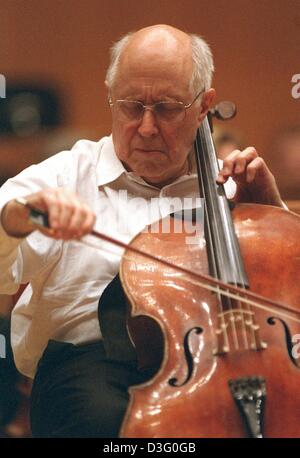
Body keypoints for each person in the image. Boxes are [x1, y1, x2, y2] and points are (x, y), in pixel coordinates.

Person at [0, 25, 284, 438]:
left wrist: (270, 214)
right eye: (132, 106)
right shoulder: (62, 177)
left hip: (219, 360)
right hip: (91, 369)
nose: (147, 127)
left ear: (204, 106)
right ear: (110, 96)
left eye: (167, 108)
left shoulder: (232, 188)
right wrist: (21, 217)